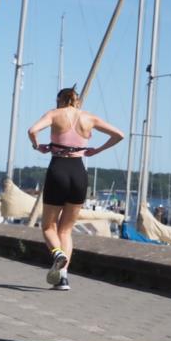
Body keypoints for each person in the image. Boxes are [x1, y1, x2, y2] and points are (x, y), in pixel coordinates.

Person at [27, 87, 124, 291]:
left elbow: (32, 130)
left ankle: (57, 254)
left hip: (58, 169)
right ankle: (63, 278)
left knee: (48, 227)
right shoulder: (89, 118)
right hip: (79, 173)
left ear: (59, 100)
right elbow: (119, 135)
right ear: (77, 101)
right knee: (66, 230)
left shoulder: (54, 114)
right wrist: (97, 150)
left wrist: (38, 146)